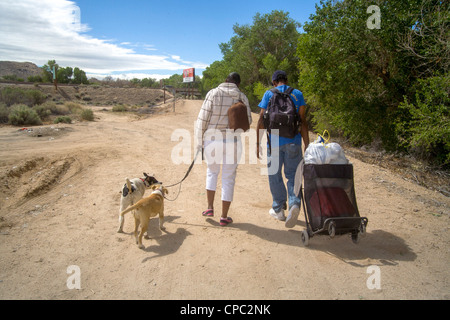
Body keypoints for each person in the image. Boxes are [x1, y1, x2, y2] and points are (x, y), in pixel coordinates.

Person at [196, 72, 252, 226]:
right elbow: (249, 121)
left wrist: (199, 143)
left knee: (212, 172)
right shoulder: (242, 97)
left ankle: (209, 208)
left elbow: (202, 120)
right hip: (233, 142)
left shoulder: (213, 93)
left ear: (226, 80)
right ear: (238, 84)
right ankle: (224, 217)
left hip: (212, 140)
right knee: (228, 178)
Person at [256, 70, 309, 228]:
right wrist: (307, 143)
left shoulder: (268, 94)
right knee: (293, 174)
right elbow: (303, 121)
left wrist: (256, 142)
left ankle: (278, 209)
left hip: (273, 142)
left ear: (274, 82)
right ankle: (294, 203)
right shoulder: (297, 94)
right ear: (286, 80)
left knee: (274, 174)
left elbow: (261, 119)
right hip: (293, 141)